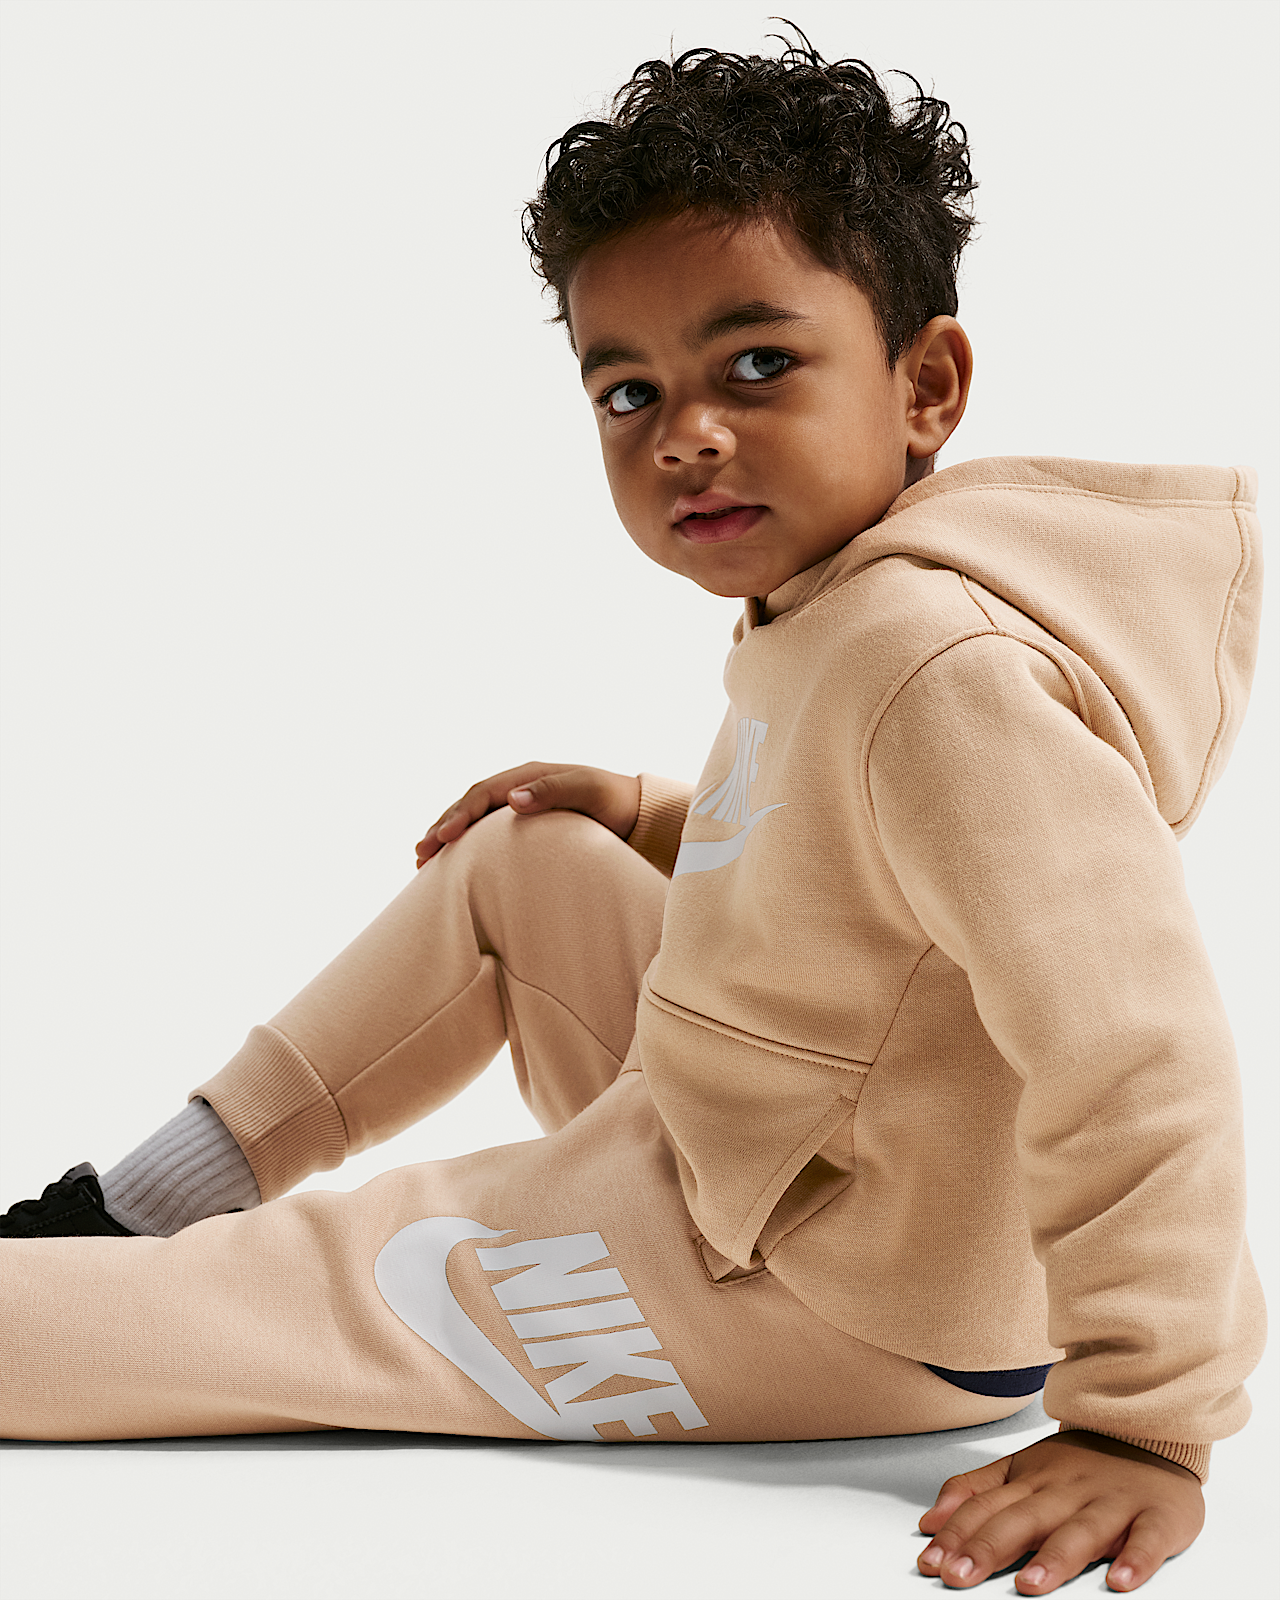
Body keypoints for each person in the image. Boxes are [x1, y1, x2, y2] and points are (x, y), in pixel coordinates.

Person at [0, 33, 1264, 1597]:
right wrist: (653, 812)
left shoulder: (936, 663)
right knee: (524, 862)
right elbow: (860, 863)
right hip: (773, 1148)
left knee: (231, 1313)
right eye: (628, 390)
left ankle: (91, 1278)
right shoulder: (842, 597)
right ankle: (132, 1207)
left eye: (757, 365)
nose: (683, 433)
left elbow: (1137, 1048)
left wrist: (1145, 1423)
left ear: (926, 385)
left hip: (835, 1293)